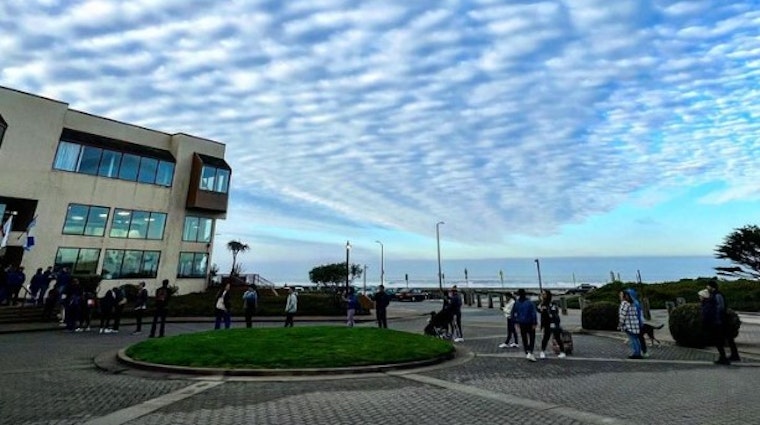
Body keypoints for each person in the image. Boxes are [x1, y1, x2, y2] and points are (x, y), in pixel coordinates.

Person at [706, 279, 740, 363]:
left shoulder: (717, 295)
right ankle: (734, 356)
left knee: (718, 339)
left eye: (707, 286)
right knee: (729, 338)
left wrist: (716, 318)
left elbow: (720, 307)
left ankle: (723, 358)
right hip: (722, 320)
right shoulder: (716, 294)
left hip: (720, 321)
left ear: (711, 286)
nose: (707, 287)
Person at [538, 290, 567, 359]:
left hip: (553, 323)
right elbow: (539, 310)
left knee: (557, 337)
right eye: (542, 294)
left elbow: (554, 313)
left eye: (544, 294)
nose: (543, 295)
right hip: (546, 323)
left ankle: (562, 352)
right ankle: (542, 351)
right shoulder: (542, 304)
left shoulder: (552, 303)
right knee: (546, 337)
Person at [512, 288, 538, 361]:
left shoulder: (517, 303)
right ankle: (530, 351)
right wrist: (535, 322)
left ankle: (527, 351)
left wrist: (515, 321)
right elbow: (533, 313)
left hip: (521, 322)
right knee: (531, 337)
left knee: (524, 338)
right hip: (529, 322)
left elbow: (513, 313)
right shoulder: (529, 302)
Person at [619, 289, 642, 359]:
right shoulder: (633, 303)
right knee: (636, 339)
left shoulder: (624, 303)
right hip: (635, 324)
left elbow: (622, 314)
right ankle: (638, 352)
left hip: (629, 324)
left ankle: (636, 353)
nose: (620, 296)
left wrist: (620, 323)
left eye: (621, 295)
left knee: (633, 339)